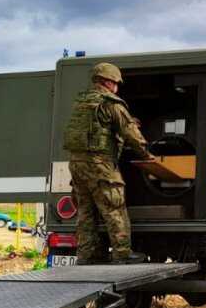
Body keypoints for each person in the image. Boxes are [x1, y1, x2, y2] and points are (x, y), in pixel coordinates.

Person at [63, 62, 151, 264]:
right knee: (114, 206)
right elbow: (131, 133)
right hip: (99, 164)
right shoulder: (111, 103)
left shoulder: (82, 101)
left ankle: (86, 255)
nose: (117, 87)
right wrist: (145, 154)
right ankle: (122, 254)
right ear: (109, 82)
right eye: (116, 83)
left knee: (86, 212)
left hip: (77, 164)